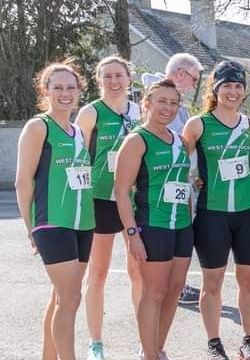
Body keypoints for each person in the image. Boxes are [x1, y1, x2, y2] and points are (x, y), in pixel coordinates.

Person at [181, 60, 250, 360]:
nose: (233, 91)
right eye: (227, 85)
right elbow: (181, 166)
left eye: (238, 86)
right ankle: (214, 343)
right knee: (212, 282)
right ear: (215, 89)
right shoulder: (198, 124)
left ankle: (249, 339)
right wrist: (193, 181)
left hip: (248, 214)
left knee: (248, 280)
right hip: (212, 214)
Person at [17, 61, 95, 360]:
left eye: (71, 87)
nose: (65, 93)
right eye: (58, 87)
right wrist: (31, 229)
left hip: (82, 223)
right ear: (45, 90)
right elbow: (23, 181)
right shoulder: (39, 127)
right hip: (52, 222)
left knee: (63, 297)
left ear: (79, 91)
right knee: (70, 297)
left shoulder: (78, 132)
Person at [112, 79, 194, 359]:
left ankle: (157, 349)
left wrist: (190, 216)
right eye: (162, 101)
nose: (168, 108)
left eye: (173, 103)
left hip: (182, 227)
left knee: (174, 290)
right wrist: (132, 235)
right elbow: (121, 192)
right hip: (152, 225)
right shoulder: (137, 140)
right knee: (154, 292)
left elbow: (184, 184)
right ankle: (148, 354)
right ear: (146, 103)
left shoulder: (180, 141)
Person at [75, 56, 141, 360]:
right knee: (98, 272)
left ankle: (146, 339)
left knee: (138, 271)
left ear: (129, 79)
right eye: (107, 76)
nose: (114, 81)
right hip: (99, 199)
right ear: (98, 80)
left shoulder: (140, 112)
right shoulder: (90, 113)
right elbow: (77, 159)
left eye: (119, 75)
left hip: (134, 199)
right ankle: (96, 342)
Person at [141, 53, 206, 307]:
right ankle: (164, 288)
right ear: (180, 73)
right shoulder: (154, 100)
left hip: (181, 184)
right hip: (158, 187)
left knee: (179, 237)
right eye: (193, 79)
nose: (193, 84)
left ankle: (176, 285)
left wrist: (194, 176)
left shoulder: (183, 108)